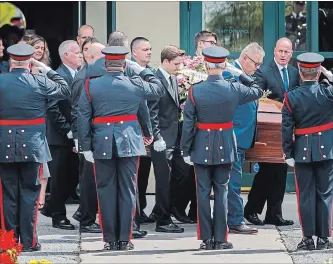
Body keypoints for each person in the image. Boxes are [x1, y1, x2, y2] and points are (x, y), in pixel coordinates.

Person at [77, 46, 164, 251]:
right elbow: (157, 89)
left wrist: (85, 146)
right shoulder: (135, 83)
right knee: (127, 190)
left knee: (105, 190)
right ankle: (125, 239)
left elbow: (83, 116)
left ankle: (110, 240)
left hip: (102, 141)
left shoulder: (91, 85)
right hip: (129, 141)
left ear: (106, 64)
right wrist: (142, 70)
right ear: (125, 64)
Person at [181, 46, 263, 250]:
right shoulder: (233, 87)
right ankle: (220, 238)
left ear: (206, 65)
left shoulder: (195, 89)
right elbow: (258, 91)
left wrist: (185, 150)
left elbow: (188, 123)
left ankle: (206, 238)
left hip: (201, 146)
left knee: (202, 193)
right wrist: (241, 75)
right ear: (224, 64)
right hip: (226, 145)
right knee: (222, 192)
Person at [0, 43, 70, 252]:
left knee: (8, 194)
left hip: (4, 144)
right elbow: (65, 88)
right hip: (32, 145)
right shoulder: (40, 81)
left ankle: (10, 242)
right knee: (30, 193)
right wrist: (46, 69)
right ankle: (29, 242)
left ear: (11, 60)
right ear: (30, 61)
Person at [244, 37, 299, 226]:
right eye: (280, 51)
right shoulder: (263, 72)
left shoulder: (294, 73)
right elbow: (258, 97)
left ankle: (274, 214)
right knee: (267, 172)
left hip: (287, 129)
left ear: (291, 54)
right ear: (274, 51)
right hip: (268, 130)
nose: (283, 55)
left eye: (287, 52)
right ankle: (251, 210)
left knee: (281, 172)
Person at [282, 52, 333, 251]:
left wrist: (288, 153)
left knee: (305, 195)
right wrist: (329, 76)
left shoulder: (291, 96)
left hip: (302, 151)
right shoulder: (328, 93)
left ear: (301, 73)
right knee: (325, 194)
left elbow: (286, 129)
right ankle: (323, 238)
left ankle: (308, 238)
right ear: (318, 72)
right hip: (327, 150)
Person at [223, 43, 265, 234]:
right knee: (234, 182)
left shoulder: (244, 76)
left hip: (242, 136)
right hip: (233, 136)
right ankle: (235, 220)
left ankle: (233, 218)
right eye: (256, 63)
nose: (258, 68)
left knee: (234, 181)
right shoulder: (230, 75)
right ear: (245, 58)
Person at [147, 45, 185, 232]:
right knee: (163, 180)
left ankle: (160, 211)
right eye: (176, 64)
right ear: (166, 62)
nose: (179, 67)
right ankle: (163, 221)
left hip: (174, 136)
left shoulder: (171, 78)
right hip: (161, 139)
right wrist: (157, 137)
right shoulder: (156, 79)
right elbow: (151, 112)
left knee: (176, 177)